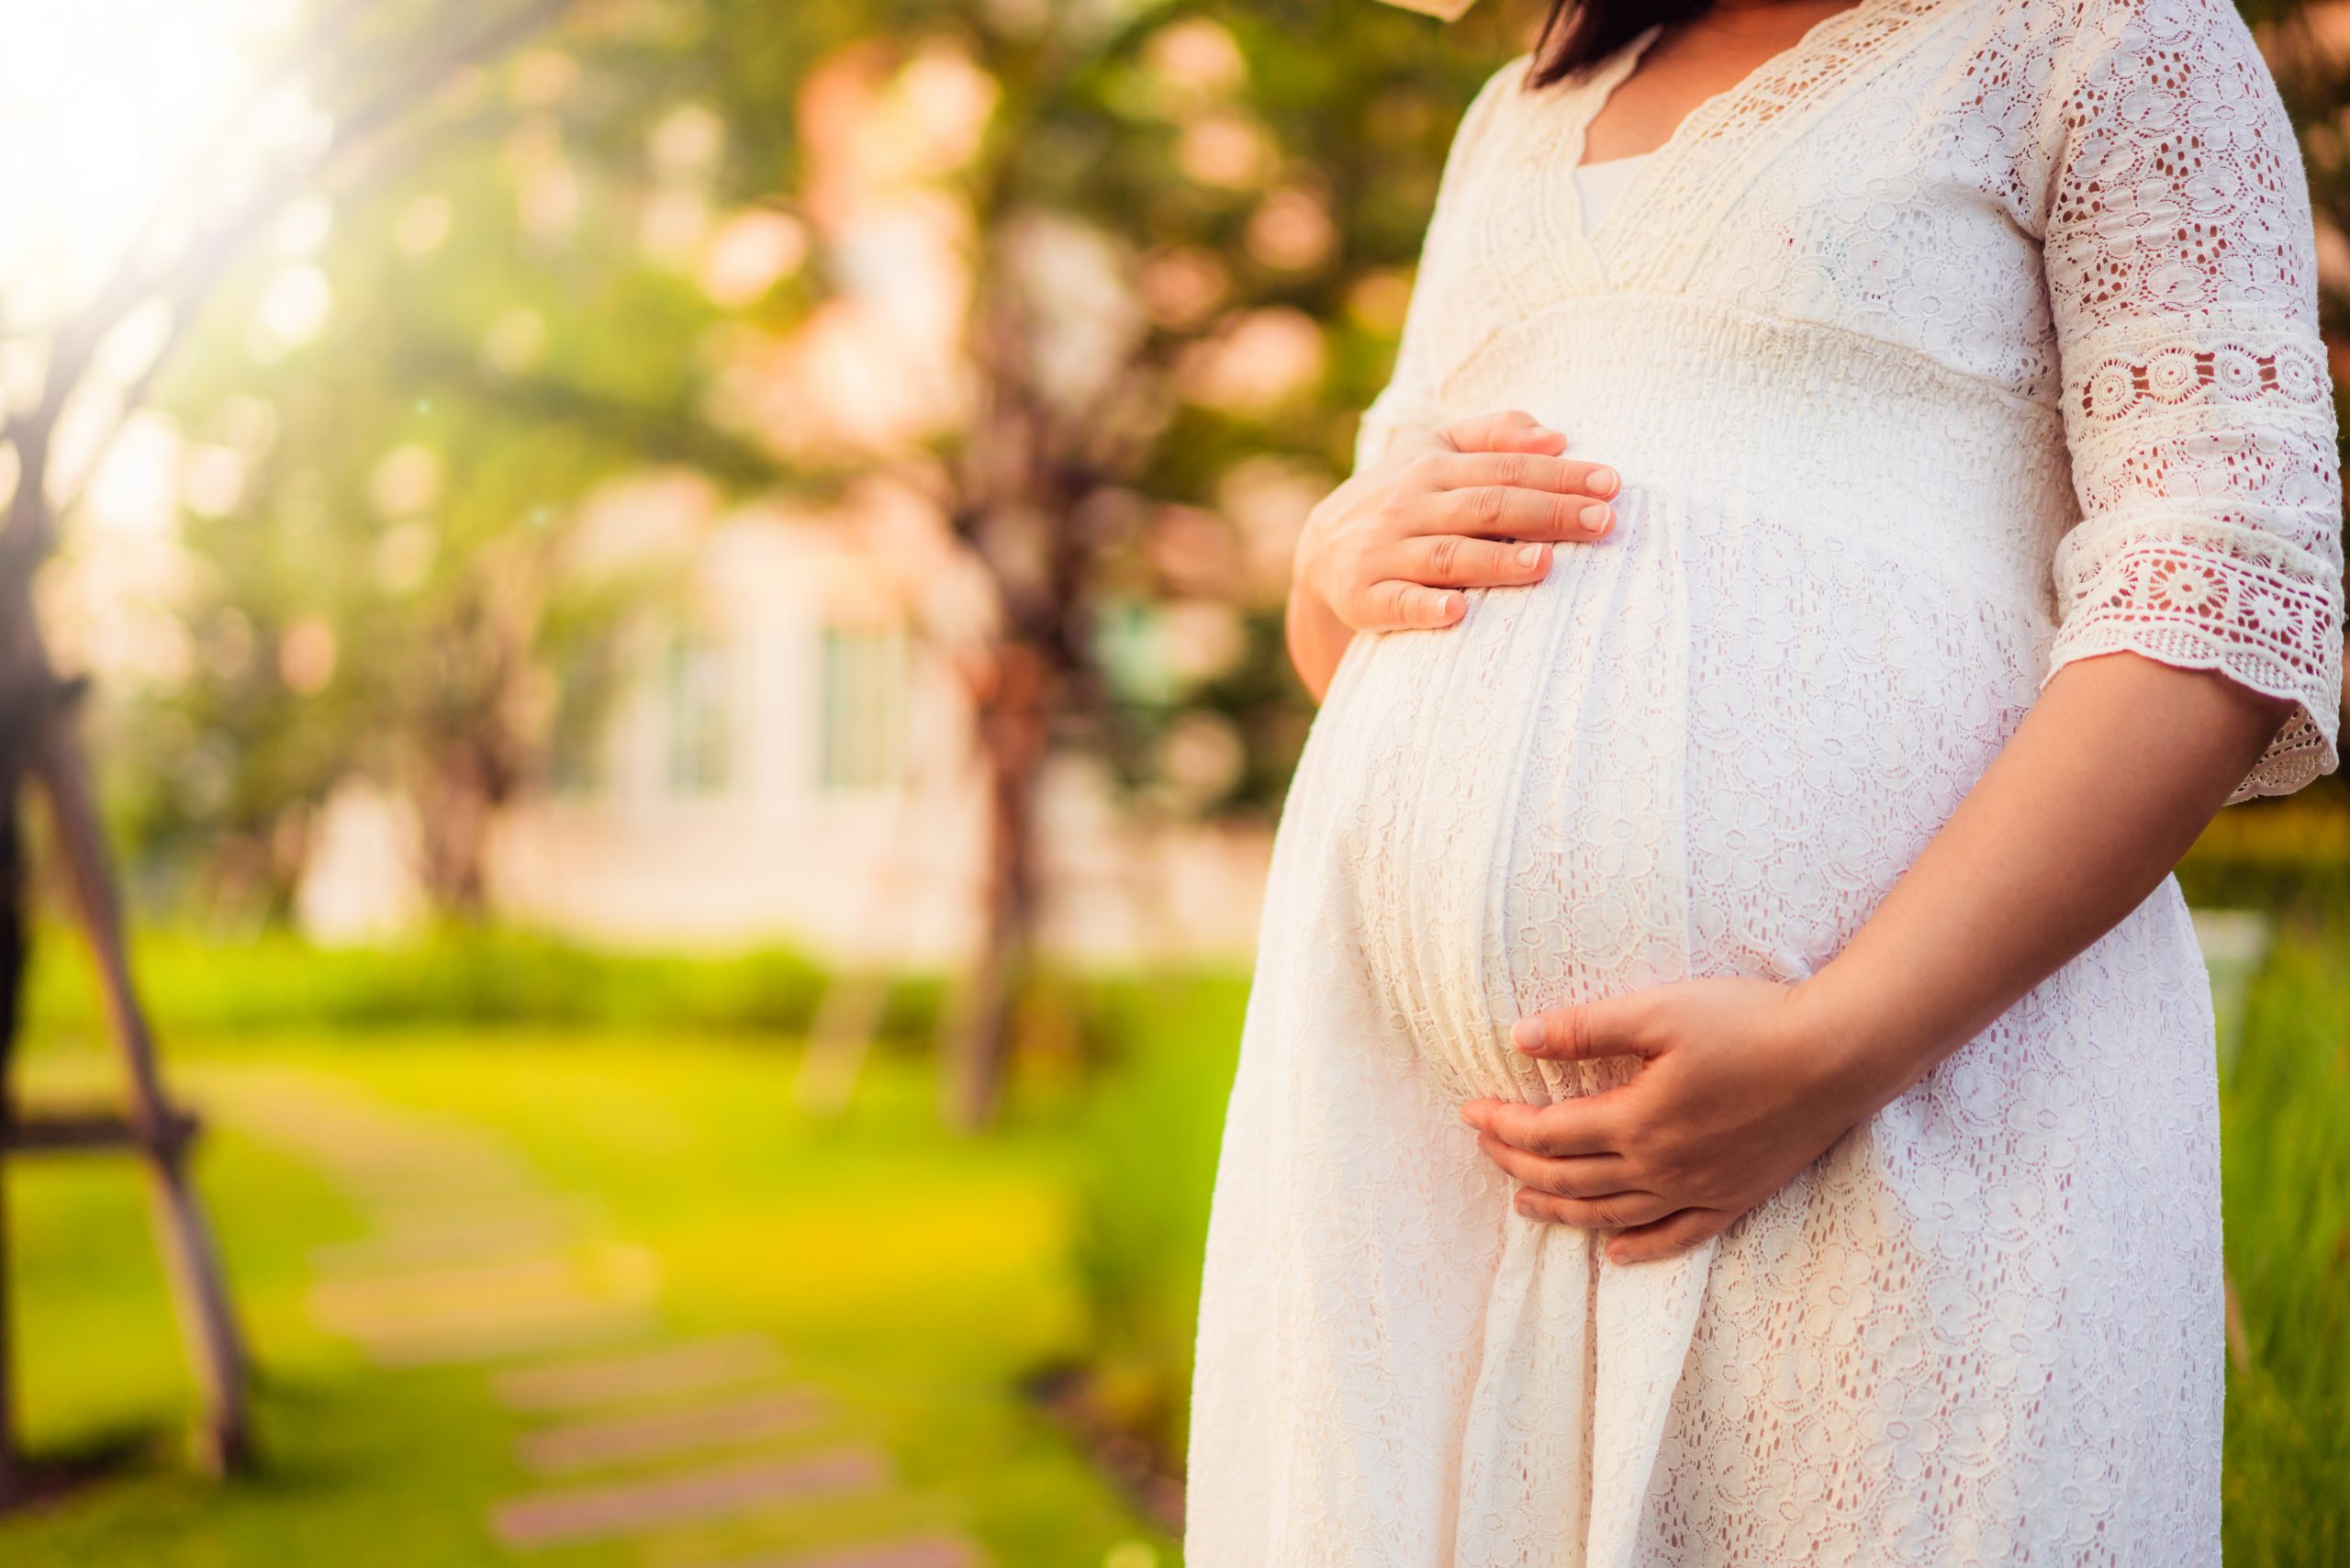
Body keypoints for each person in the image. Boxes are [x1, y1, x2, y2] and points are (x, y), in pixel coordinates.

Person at [1182, 0, 2344, 1561]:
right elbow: (1381, 643)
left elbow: (2222, 590)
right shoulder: (1515, 115)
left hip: (1911, 1106)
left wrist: (1832, 1047)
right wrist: (1327, 561)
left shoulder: (2107, 31)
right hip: (1435, 1175)